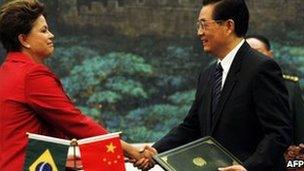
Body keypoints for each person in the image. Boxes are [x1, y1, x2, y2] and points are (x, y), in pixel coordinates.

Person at [135, 0, 292, 170]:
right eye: (198, 26)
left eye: (204, 25)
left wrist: (248, 168)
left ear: (228, 26)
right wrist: (155, 151)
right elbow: (191, 126)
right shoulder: (209, 73)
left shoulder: (261, 68)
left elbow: (278, 132)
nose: (199, 33)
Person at [0, 0, 152, 170]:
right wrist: (132, 151)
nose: (51, 35)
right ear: (24, 39)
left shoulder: (7, 70)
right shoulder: (32, 76)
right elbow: (76, 123)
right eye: (43, 30)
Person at [246, 34, 304, 161]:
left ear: (270, 54)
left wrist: (298, 162)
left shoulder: (290, 87)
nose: (252, 57)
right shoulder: (234, 87)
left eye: (257, 52)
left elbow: (299, 130)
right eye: (247, 53)